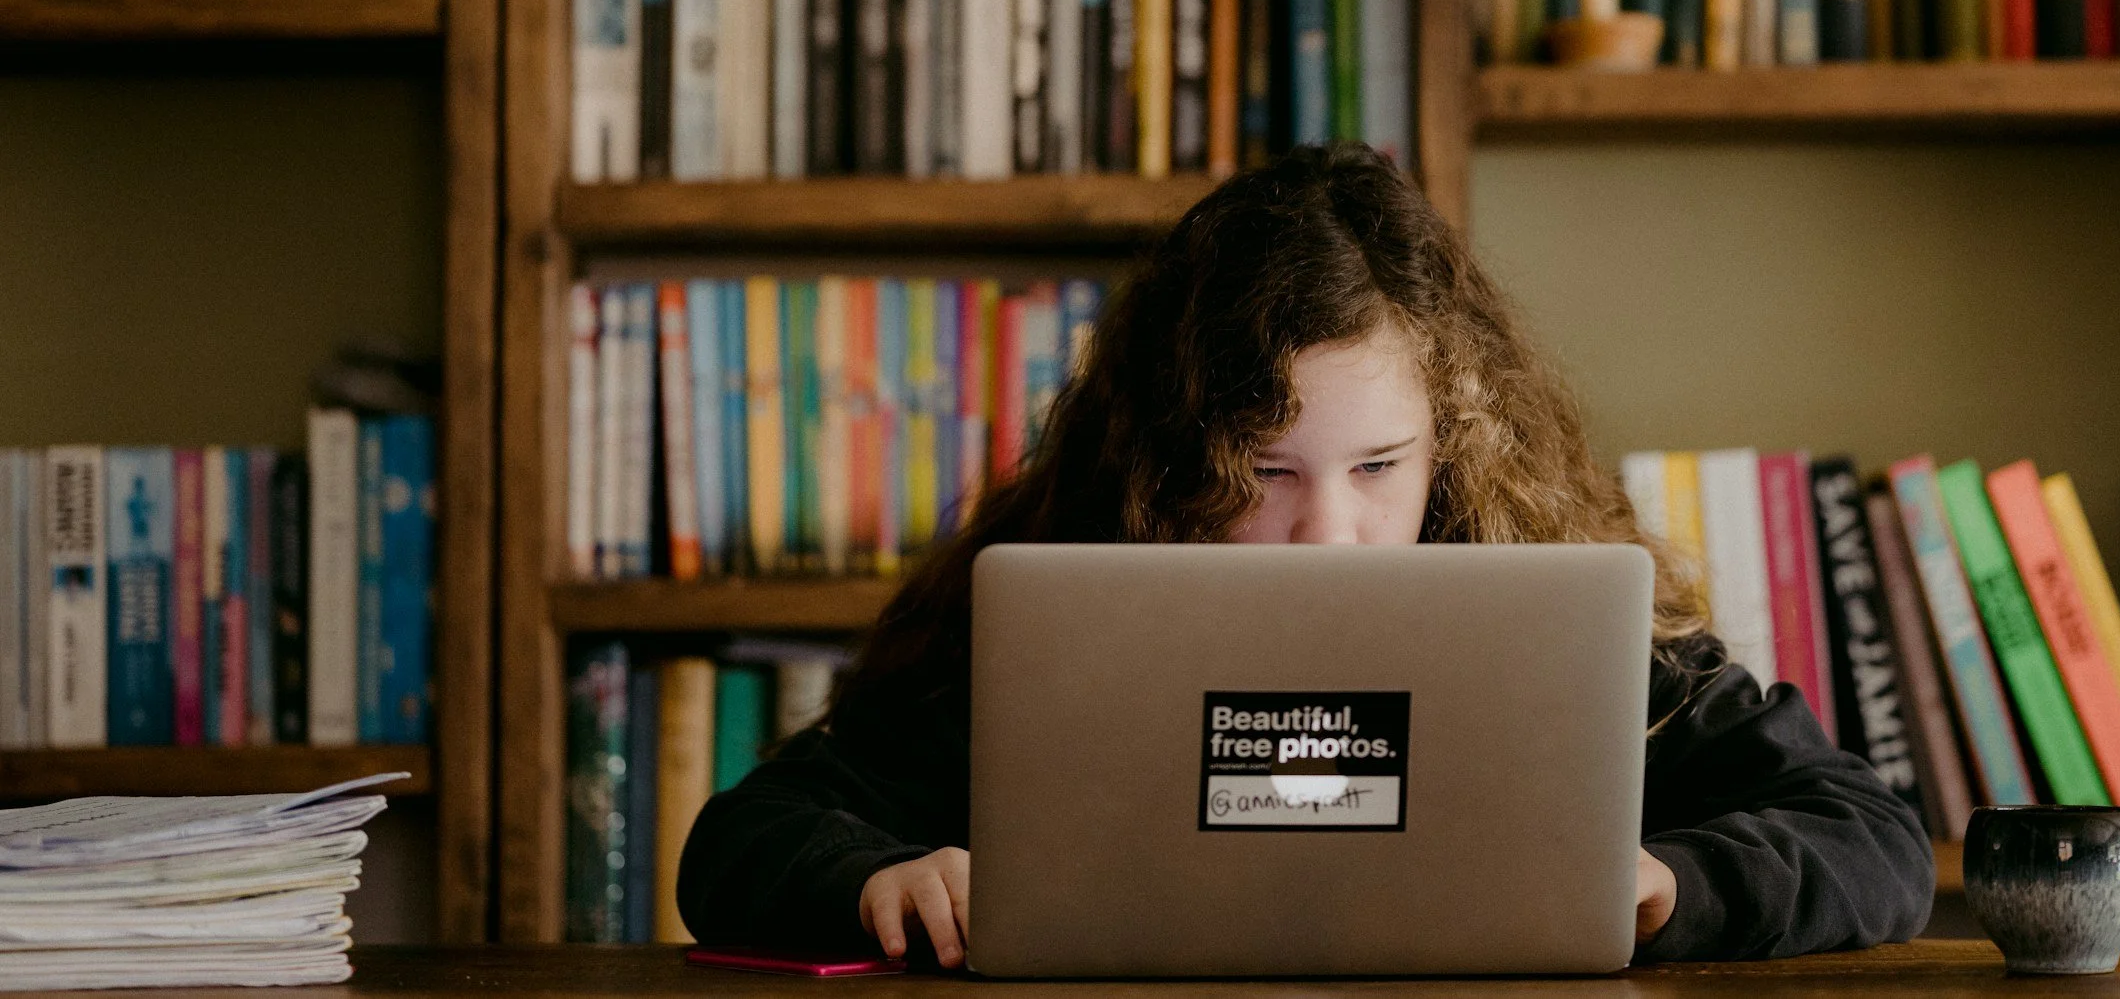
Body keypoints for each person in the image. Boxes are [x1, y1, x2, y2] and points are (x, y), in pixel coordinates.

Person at [677, 144, 1933, 965]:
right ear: (1173, 457)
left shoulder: (1538, 595)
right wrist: (877, 877)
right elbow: (740, 838)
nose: (1328, 529)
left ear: (1453, 443)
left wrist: (1672, 884)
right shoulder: (1065, 601)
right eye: (1265, 472)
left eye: (1379, 466)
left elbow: (1868, 832)